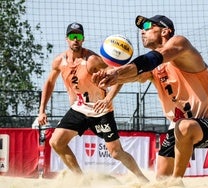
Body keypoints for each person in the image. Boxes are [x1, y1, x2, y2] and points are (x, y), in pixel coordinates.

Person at [92, 15, 208, 180]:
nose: (143, 31)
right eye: (142, 28)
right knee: (161, 180)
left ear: (165, 31)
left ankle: (176, 182)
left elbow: (152, 59)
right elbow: (133, 74)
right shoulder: (154, 68)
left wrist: (117, 72)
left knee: (183, 127)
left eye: (148, 26)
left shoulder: (180, 44)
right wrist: (108, 75)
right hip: (178, 129)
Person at [38, 22, 148, 182]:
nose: (76, 40)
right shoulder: (59, 61)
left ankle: (143, 179)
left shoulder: (93, 60)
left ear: (83, 39)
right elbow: (49, 83)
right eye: (72, 36)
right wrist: (42, 109)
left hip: (101, 111)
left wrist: (108, 98)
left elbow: (119, 76)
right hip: (79, 109)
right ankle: (82, 180)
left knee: (116, 152)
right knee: (56, 142)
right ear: (66, 39)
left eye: (79, 36)